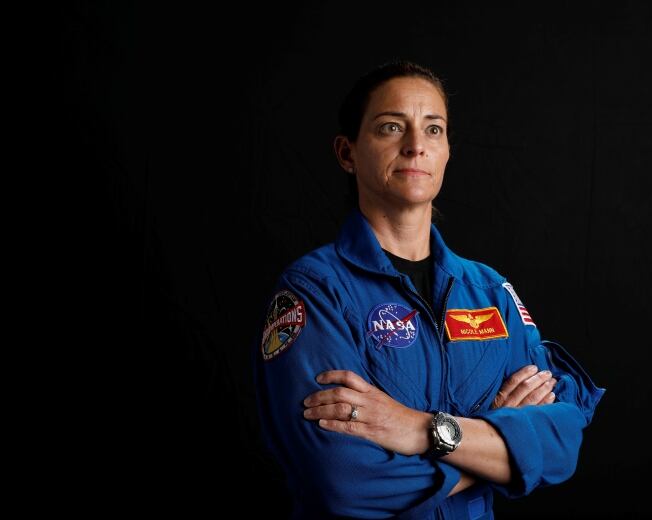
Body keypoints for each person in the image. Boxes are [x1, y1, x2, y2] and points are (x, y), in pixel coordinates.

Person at [252, 60, 605, 519]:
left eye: (433, 130)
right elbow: (341, 479)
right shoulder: (315, 293)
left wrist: (422, 430)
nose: (416, 146)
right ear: (347, 153)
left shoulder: (488, 291)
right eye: (390, 127)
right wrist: (496, 452)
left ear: (447, 151)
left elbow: (564, 439)